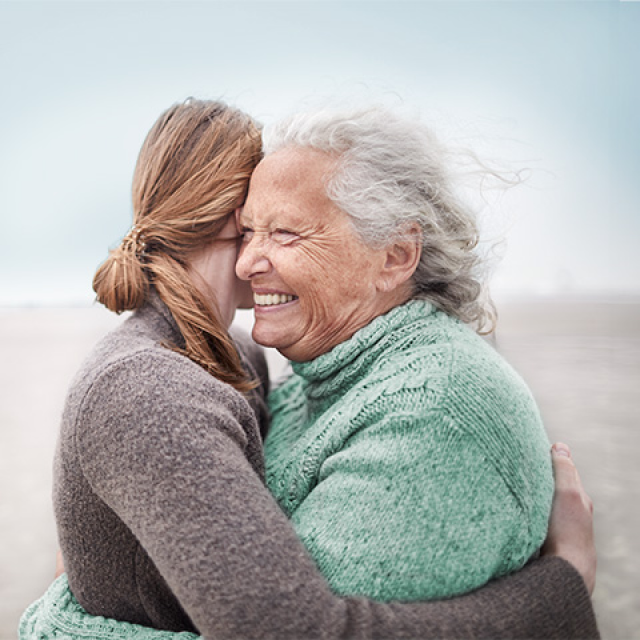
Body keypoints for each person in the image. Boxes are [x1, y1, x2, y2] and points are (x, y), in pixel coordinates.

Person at [19, 99, 599, 640]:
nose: (249, 261)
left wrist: (62, 621)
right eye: (247, 232)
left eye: (285, 233)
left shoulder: (436, 407)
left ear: (396, 256)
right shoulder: (297, 379)